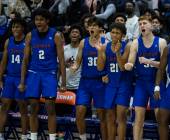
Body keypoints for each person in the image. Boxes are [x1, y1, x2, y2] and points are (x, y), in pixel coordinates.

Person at [18, 8, 66, 140]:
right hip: (34, 73)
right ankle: (33, 137)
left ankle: (52, 137)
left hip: (49, 73)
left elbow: (61, 60)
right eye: (36, 19)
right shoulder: (30, 35)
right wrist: (22, 81)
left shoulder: (55, 35)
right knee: (33, 106)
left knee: (50, 107)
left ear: (47, 21)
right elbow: (25, 59)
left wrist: (63, 82)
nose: (38, 22)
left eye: (41, 19)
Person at [124, 15, 167, 140]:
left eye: (144, 23)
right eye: (140, 24)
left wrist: (149, 61)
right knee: (138, 118)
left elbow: (164, 65)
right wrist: (129, 65)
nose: (142, 26)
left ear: (152, 26)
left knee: (160, 118)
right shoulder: (136, 43)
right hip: (141, 83)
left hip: (156, 82)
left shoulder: (161, 42)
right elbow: (131, 61)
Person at [71, 17, 107, 140]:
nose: (91, 28)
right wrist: (73, 67)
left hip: (100, 82)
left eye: (94, 26)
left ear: (100, 29)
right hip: (85, 82)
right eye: (90, 25)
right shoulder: (83, 42)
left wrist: (107, 75)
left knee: (102, 116)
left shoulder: (105, 42)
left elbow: (109, 63)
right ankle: (82, 138)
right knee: (80, 111)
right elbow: (78, 61)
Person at [96, 23, 132, 140]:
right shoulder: (105, 47)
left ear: (123, 35)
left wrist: (117, 52)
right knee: (110, 116)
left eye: (117, 33)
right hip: (110, 84)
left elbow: (122, 67)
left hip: (123, 84)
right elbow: (100, 68)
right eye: (113, 32)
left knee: (121, 117)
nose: (114, 35)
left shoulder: (127, 46)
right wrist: (100, 52)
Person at [0, 18, 28, 140]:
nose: (14, 29)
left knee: (22, 107)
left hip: (22, 78)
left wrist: (24, 81)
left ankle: (24, 135)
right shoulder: (8, 41)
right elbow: (4, 62)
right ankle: (0, 133)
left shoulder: (27, 42)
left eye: (17, 27)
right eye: (13, 27)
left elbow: (28, 62)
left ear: (22, 28)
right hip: (10, 78)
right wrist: (0, 78)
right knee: (4, 105)